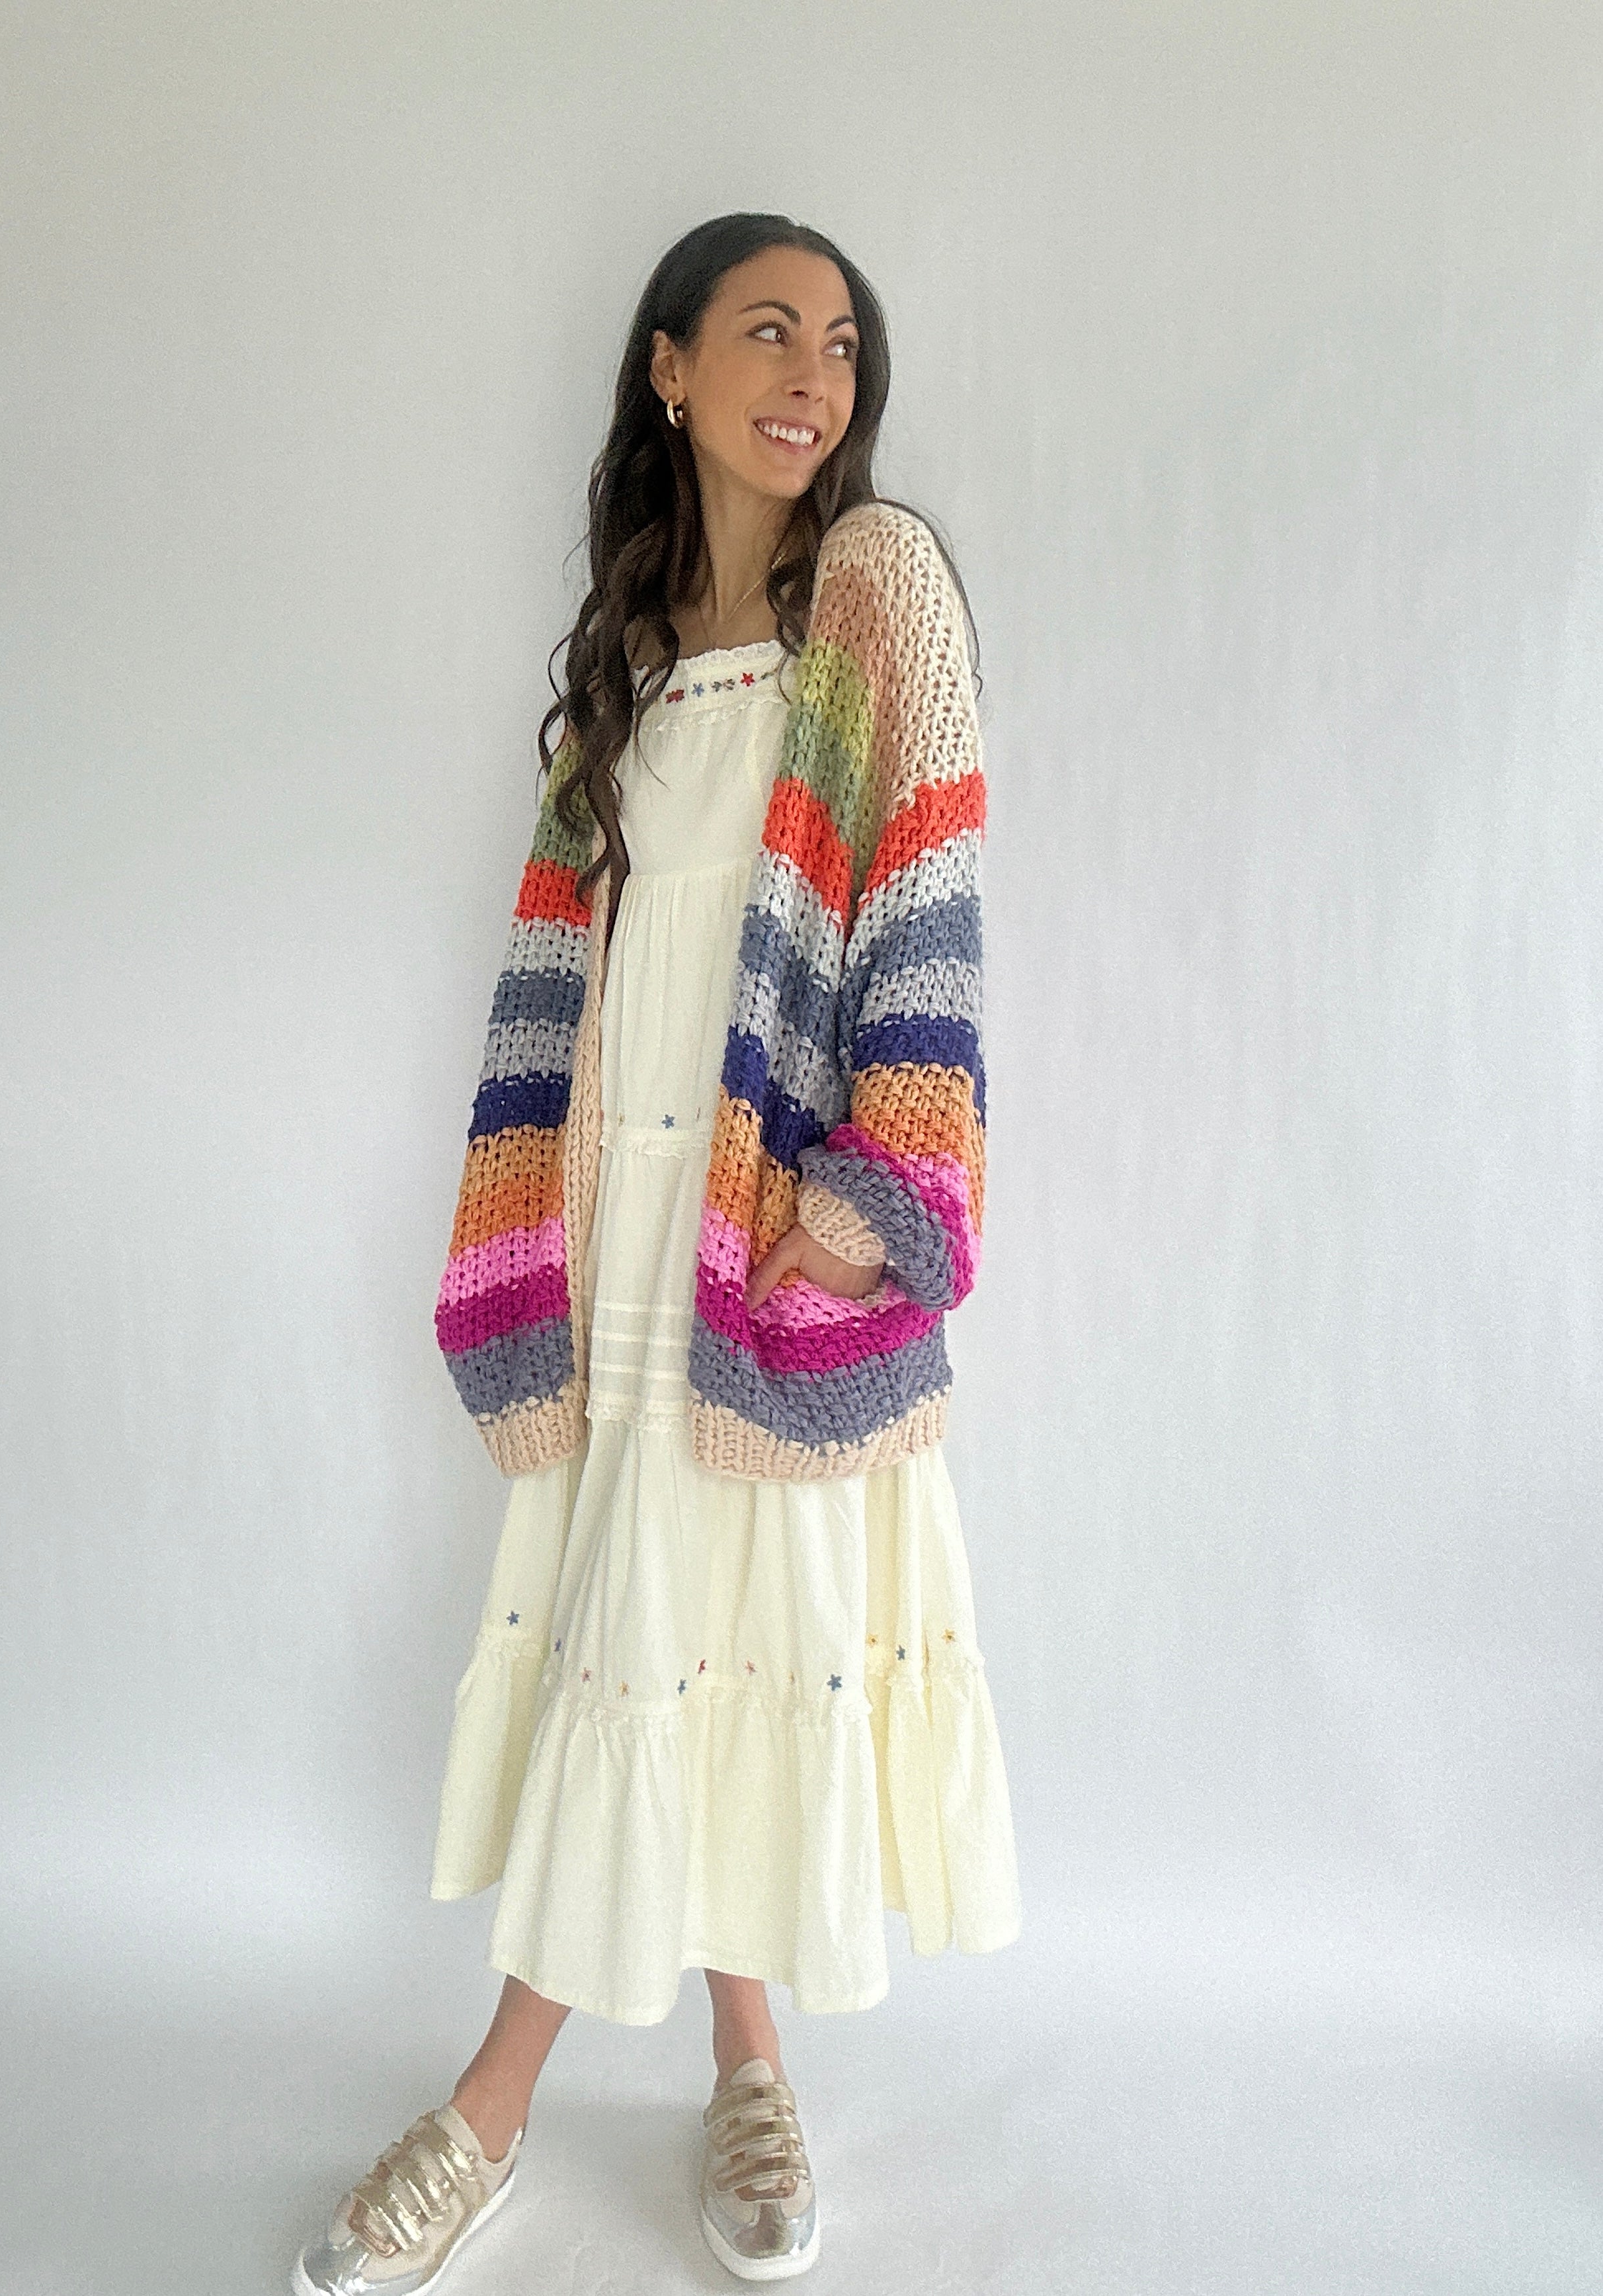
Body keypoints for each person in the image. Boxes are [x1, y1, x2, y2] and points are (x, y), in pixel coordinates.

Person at [292, 211, 1022, 2296]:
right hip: (623, 1234)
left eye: (846, 344)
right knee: (673, 1634)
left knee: (700, 1620)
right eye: (768, 332)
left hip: (768, 1244)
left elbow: (934, 903)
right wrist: (522, 1231)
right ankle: (744, 2060)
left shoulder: (878, 596)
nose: (816, 373)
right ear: (670, 370)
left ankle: (488, 2111)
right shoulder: (613, 673)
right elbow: (567, 978)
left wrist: (868, 1194)